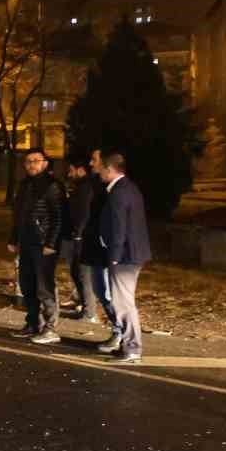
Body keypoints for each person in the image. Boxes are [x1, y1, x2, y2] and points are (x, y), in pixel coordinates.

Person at [97, 151, 151, 363]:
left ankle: (132, 348)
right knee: (124, 301)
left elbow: (119, 227)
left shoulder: (119, 192)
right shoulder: (129, 187)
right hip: (131, 254)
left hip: (124, 257)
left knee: (123, 303)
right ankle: (130, 345)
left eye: (101, 168)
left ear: (109, 169)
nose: (99, 172)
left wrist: (114, 257)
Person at [9, 149, 64, 343]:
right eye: (28, 161)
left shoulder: (52, 186)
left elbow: (58, 217)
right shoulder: (24, 185)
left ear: (45, 163)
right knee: (27, 285)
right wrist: (14, 239)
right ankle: (33, 323)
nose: (31, 164)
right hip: (26, 242)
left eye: (36, 161)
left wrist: (51, 243)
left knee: (44, 286)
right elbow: (18, 215)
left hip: (43, 245)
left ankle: (51, 328)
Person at [80, 148, 120, 340]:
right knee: (101, 292)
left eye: (94, 160)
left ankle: (121, 332)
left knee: (110, 294)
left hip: (107, 250)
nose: (90, 163)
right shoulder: (95, 185)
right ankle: (118, 330)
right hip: (95, 248)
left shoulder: (115, 189)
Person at [60, 156, 101, 323]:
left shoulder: (85, 188)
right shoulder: (81, 187)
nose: (69, 174)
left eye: (71, 170)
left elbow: (83, 213)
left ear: (80, 170)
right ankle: (86, 308)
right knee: (78, 273)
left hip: (80, 238)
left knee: (83, 274)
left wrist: (78, 233)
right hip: (76, 236)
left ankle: (90, 313)